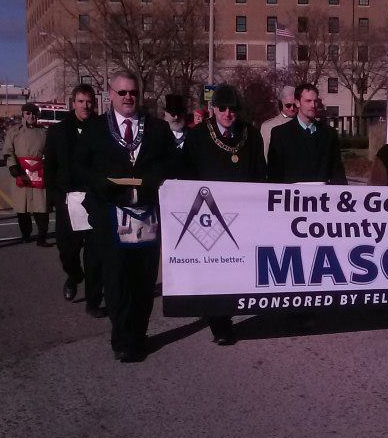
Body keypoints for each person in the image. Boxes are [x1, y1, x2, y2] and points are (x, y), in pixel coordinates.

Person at [75, 70, 177, 362]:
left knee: (143, 279)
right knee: (117, 279)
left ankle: (139, 334)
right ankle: (122, 339)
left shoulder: (157, 128)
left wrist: (156, 176)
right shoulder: (95, 129)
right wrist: (100, 182)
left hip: (147, 215)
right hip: (110, 214)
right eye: (122, 92)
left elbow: (173, 162)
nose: (128, 97)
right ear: (111, 95)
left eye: (133, 92)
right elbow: (79, 166)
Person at [182, 84, 266, 345]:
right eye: (222, 108)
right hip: (209, 215)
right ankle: (220, 323)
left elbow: (259, 173)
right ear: (213, 108)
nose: (228, 114)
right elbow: (187, 174)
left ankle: (226, 313)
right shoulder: (197, 137)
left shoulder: (251, 134)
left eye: (233, 109)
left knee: (236, 269)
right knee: (215, 270)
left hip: (242, 215)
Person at [44, 83, 104, 316]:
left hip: (95, 197)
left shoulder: (102, 128)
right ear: (73, 103)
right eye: (81, 101)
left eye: (89, 102)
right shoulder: (58, 131)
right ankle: (74, 275)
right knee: (67, 250)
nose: (85, 106)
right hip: (67, 199)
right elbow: (50, 167)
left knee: (95, 254)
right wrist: (53, 196)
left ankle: (93, 301)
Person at [267, 83, 347, 185]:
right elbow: (274, 175)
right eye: (308, 101)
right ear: (297, 103)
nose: (313, 105)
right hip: (291, 193)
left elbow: (337, 172)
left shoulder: (329, 134)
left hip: (321, 194)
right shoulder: (280, 134)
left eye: (315, 101)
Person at [3, 103, 50, 245]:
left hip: (39, 172)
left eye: (34, 113)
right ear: (23, 114)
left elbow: (50, 151)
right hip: (21, 172)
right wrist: (12, 166)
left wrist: (47, 163)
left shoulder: (43, 132)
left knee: (42, 207)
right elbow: (8, 150)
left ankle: (42, 237)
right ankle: (26, 234)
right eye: (28, 113)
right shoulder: (14, 131)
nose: (31, 116)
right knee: (22, 208)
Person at [259, 85, 296, 160]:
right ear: (281, 105)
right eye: (288, 105)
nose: (292, 108)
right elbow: (264, 155)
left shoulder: (304, 124)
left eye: (295, 105)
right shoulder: (268, 126)